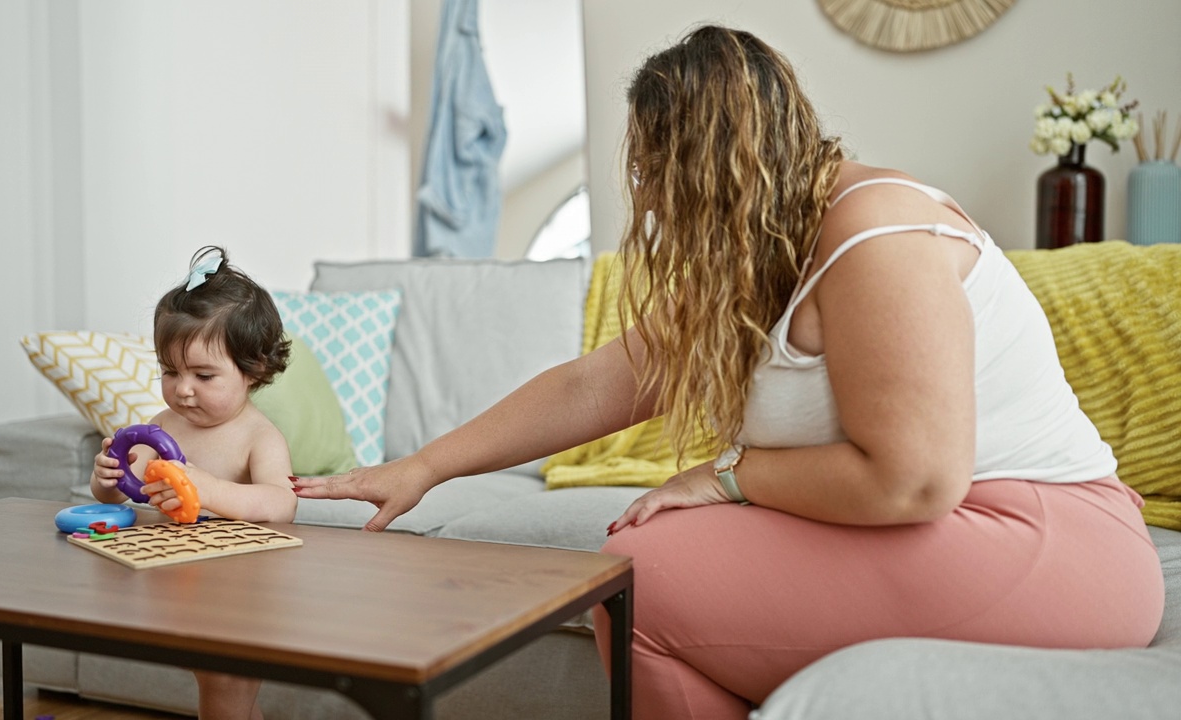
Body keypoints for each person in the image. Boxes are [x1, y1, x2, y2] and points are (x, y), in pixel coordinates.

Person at [290, 25, 1165, 719]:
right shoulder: (766, 251)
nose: (651, 199)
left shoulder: (876, 239)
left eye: (653, 173)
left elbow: (916, 480)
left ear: (712, 170)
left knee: (647, 570)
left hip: (1049, 545)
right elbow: (594, 383)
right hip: (965, 528)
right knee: (648, 556)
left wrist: (728, 475)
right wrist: (424, 467)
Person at [91, 245, 296, 720]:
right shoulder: (162, 425)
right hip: (180, 579)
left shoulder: (257, 436)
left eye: (204, 375)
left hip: (240, 590)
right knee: (225, 695)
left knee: (226, 688)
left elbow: (282, 503)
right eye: (170, 371)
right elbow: (131, 487)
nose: (183, 388)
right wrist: (106, 479)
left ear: (254, 370)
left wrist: (209, 489)